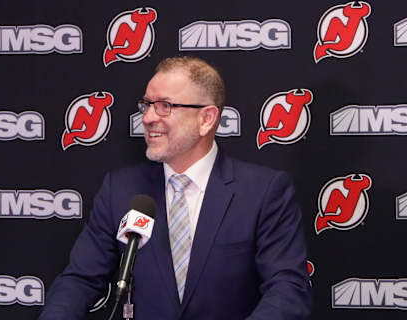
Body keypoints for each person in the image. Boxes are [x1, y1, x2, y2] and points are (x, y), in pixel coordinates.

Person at [40, 56, 312, 320]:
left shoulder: (263, 192)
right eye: (146, 105)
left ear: (206, 119)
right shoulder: (120, 189)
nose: (147, 118)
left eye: (164, 106)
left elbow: (287, 290)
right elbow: (80, 280)